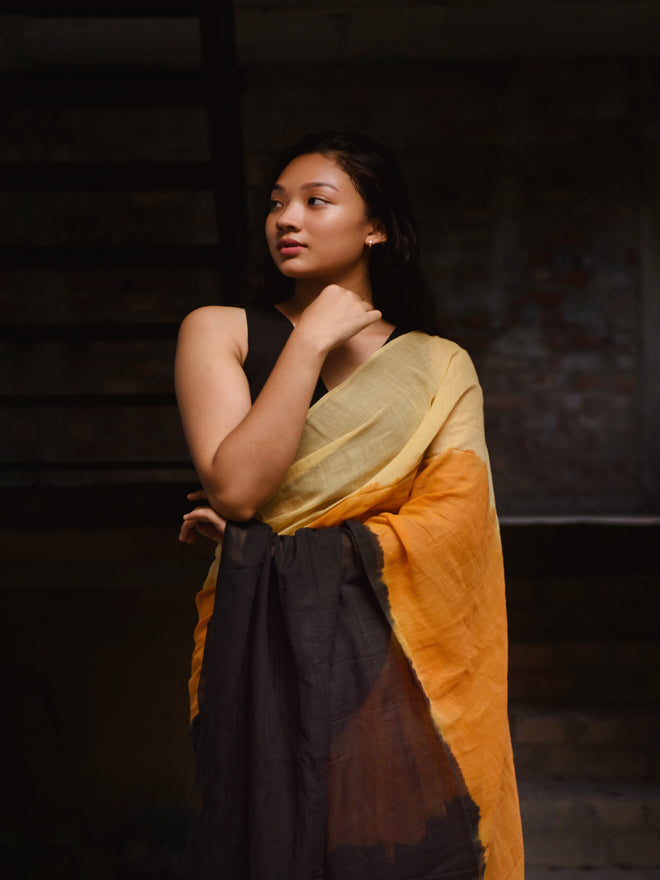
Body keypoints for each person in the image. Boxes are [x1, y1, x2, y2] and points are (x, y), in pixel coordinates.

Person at [175, 131, 524, 880]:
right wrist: (311, 341)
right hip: (254, 636)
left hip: (391, 654)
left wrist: (263, 546)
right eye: (276, 204)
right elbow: (238, 487)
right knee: (263, 841)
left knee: (385, 850)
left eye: (314, 201)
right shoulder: (219, 330)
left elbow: (454, 524)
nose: (286, 219)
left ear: (377, 228)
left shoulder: (437, 367)